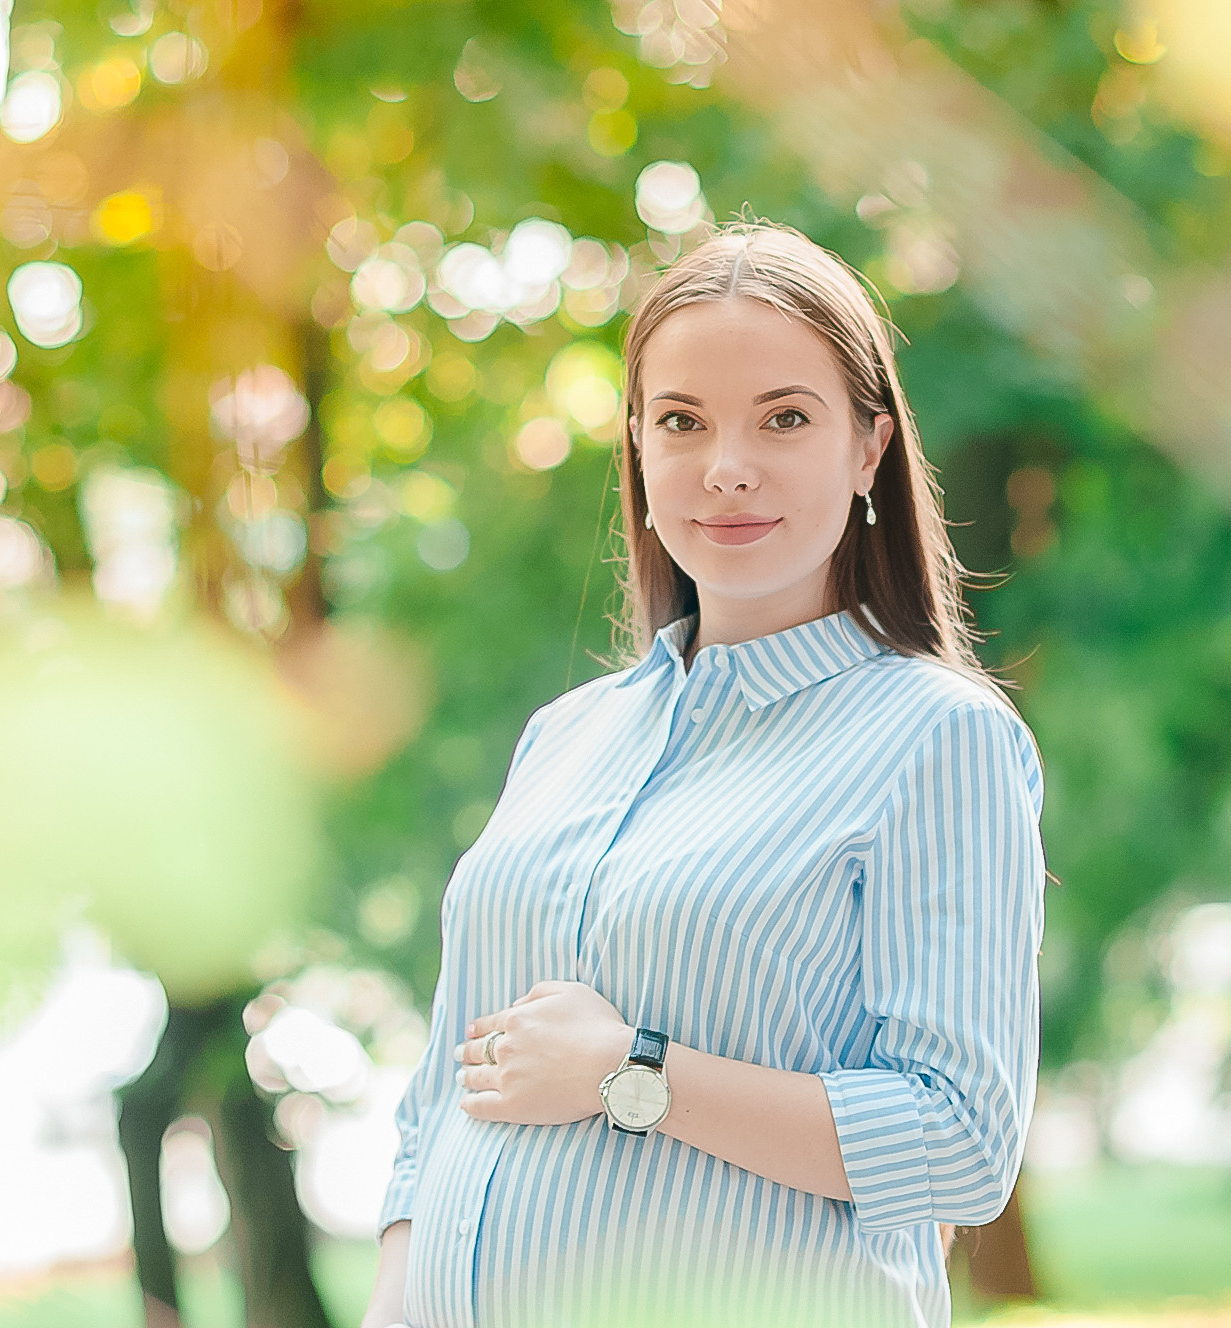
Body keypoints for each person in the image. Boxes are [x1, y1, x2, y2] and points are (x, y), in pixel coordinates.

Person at [360, 220, 1048, 1328]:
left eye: (783, 417)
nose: (726, 466)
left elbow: (958, 1143)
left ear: (867, 447)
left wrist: (635, 1073)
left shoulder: (936, 737)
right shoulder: (563, 737)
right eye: (681, 421)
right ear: (635, 446)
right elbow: (443, 1096)